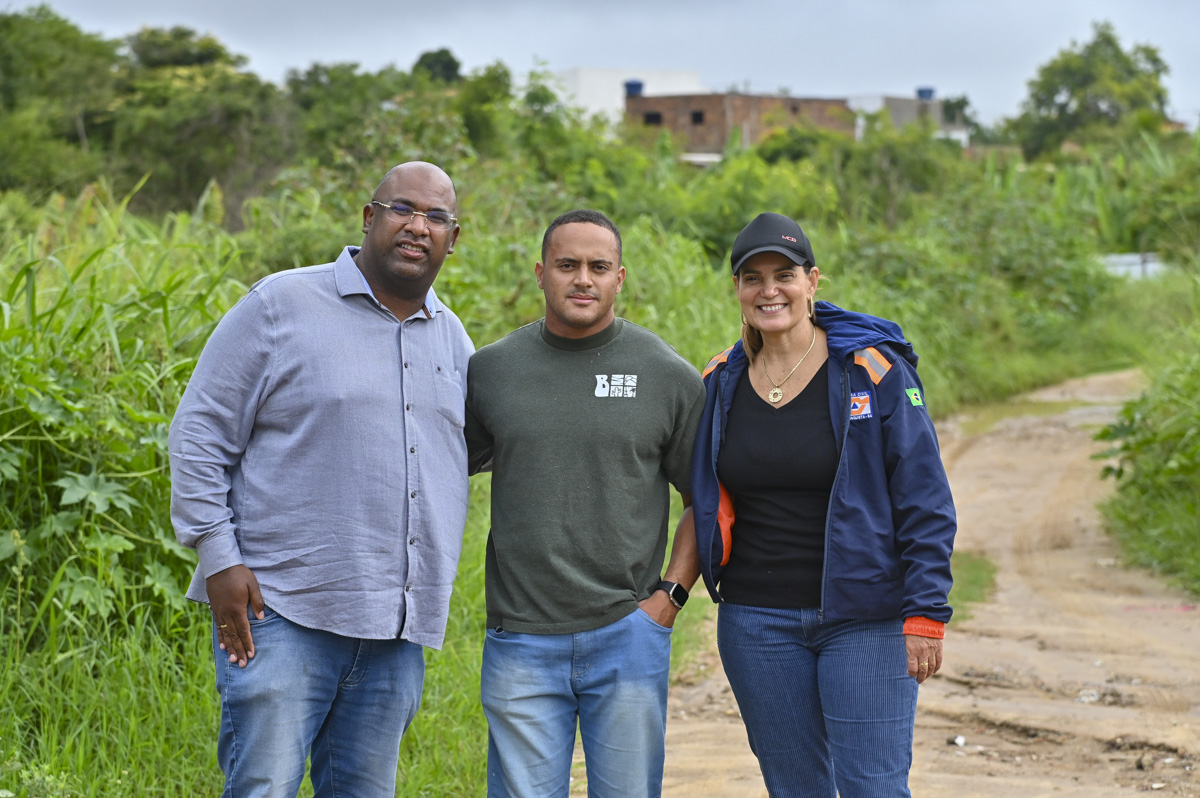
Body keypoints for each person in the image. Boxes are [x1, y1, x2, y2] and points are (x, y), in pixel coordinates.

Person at [168, 161, 473, 797]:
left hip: (394, 631)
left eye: (435, 217)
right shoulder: (280, 305)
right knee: (264, 788)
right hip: (280, 615)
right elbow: (200, 432)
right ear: (369, 218)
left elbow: (472, 449)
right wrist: (218, 557)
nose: (417, 226)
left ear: (453, 238)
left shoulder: (451, 338)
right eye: (401, 209)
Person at [690, 212, 957, 797]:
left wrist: (927, 612)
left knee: (873, 787)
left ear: (813, 282)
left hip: (866, 621)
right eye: (752, 277)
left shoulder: (871, 370)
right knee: (794, 789)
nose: (769, 290)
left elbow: (925, 497)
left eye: (783, 274)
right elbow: (699, 496)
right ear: (737, 289)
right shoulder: (721, 381)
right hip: (757, 624)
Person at [464, 209, 706, 797]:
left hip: (628, 633)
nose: (583, 279)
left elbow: (707, 496)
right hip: (520, 636)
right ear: (541, 272)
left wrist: (669, 598)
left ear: (619, 278)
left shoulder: (665, 375)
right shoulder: (491, 370)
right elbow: (435, 472)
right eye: (567, 265)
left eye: (599, 267)